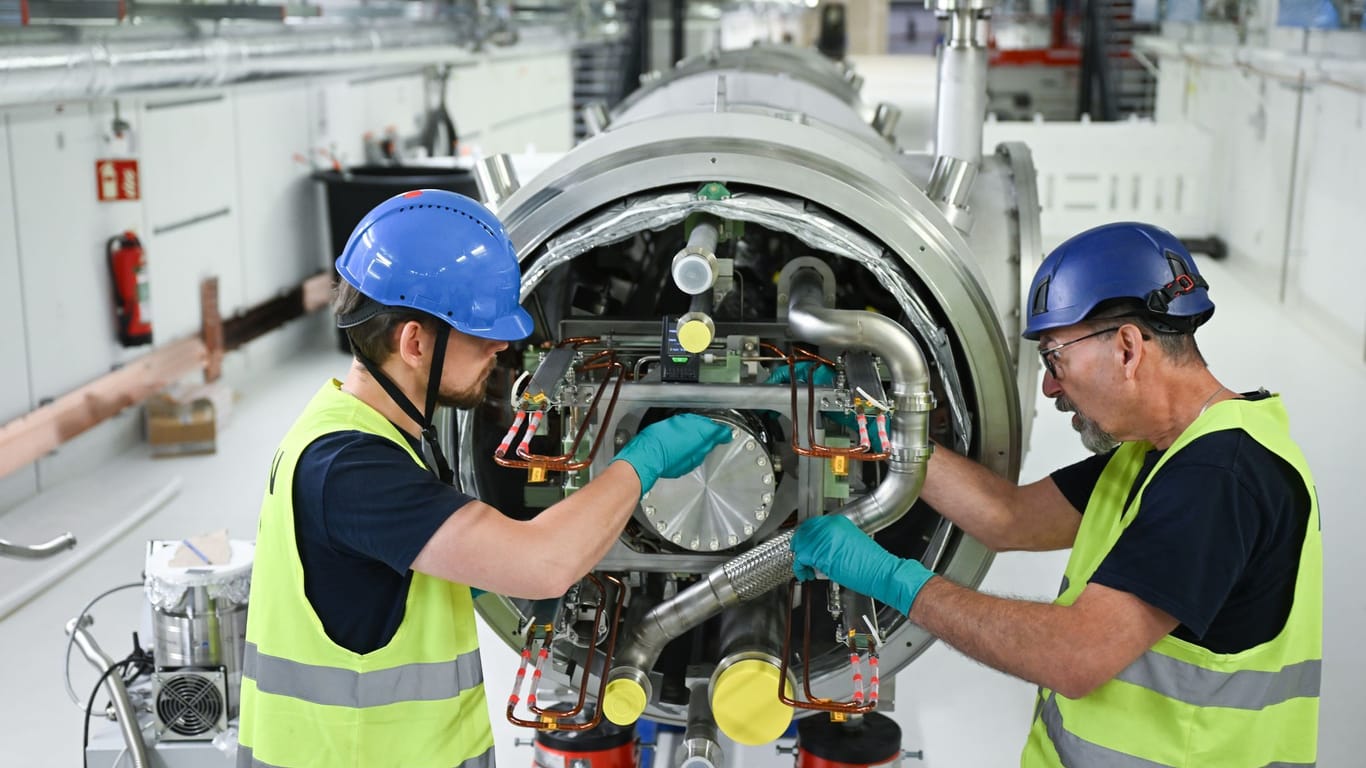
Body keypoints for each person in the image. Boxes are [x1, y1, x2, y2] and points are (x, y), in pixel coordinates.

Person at [790, 221, 1321, 767]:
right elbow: (1010, 517)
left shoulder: (1218, 478)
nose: (1049, 386)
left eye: (1054, 357)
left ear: (1128, 349)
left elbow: (1074, 654)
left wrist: (891, 579)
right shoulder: (1162, 454)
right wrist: (879, 435)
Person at [237, 189, 732, 768]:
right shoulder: (351, 469)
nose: (501, 345)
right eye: (479, 332)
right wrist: (643, 460)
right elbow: (542, 564)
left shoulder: (377, 432)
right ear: (415, 341)